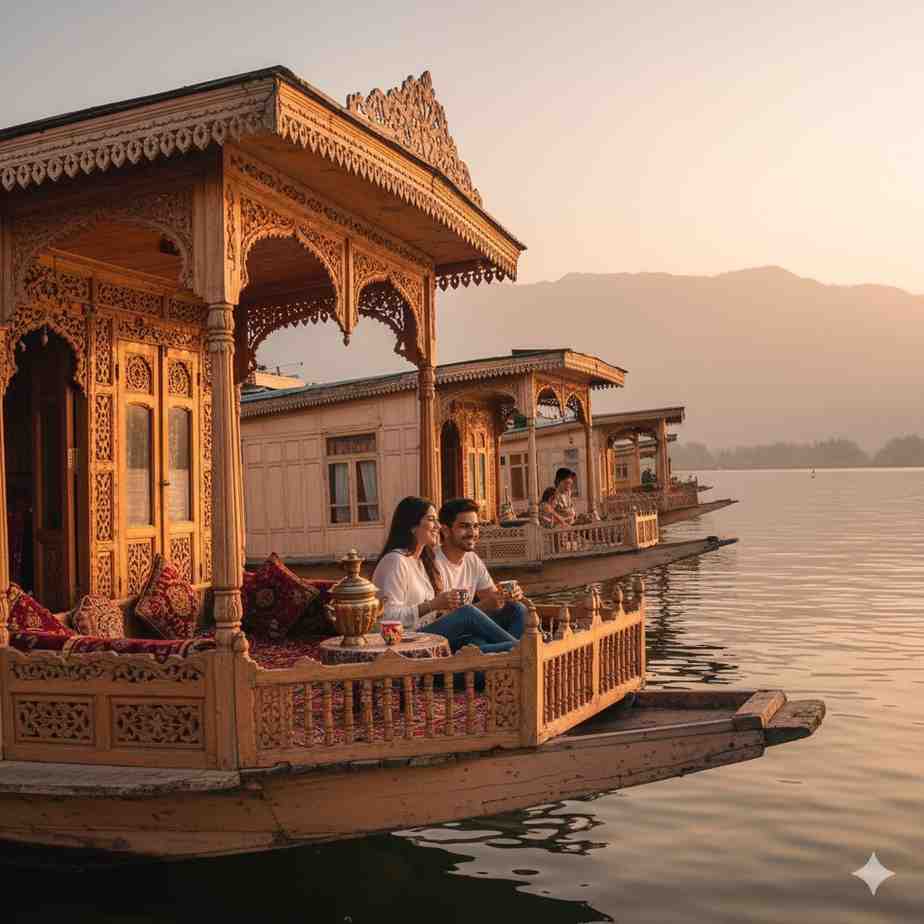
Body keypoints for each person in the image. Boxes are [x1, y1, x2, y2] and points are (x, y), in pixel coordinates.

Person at [371, 496, 517, 654]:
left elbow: (434, 614)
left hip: (428, 635)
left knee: (487, 635)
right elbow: (387, 617)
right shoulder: (395, 561)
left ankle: (518, 650)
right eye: (431, 520)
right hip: (407, 642)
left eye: (437, 521)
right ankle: (522, 648)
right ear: (413, 527)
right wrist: (433, 605)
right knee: (467, 614)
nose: (438, 526)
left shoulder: (422, 562)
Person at [436, 497, 528, 639]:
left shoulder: (472, 559)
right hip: (448, 638)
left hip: (471, 630)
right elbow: (440, 619)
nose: (472, 533)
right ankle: (520, 651)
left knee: (517, 609)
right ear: (446, 531)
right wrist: (485, 606)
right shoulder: (432, 563)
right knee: (477, 642)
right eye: (464, 526)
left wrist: (508, 596)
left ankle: (515, 652)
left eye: (476, 526)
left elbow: (492, 599)